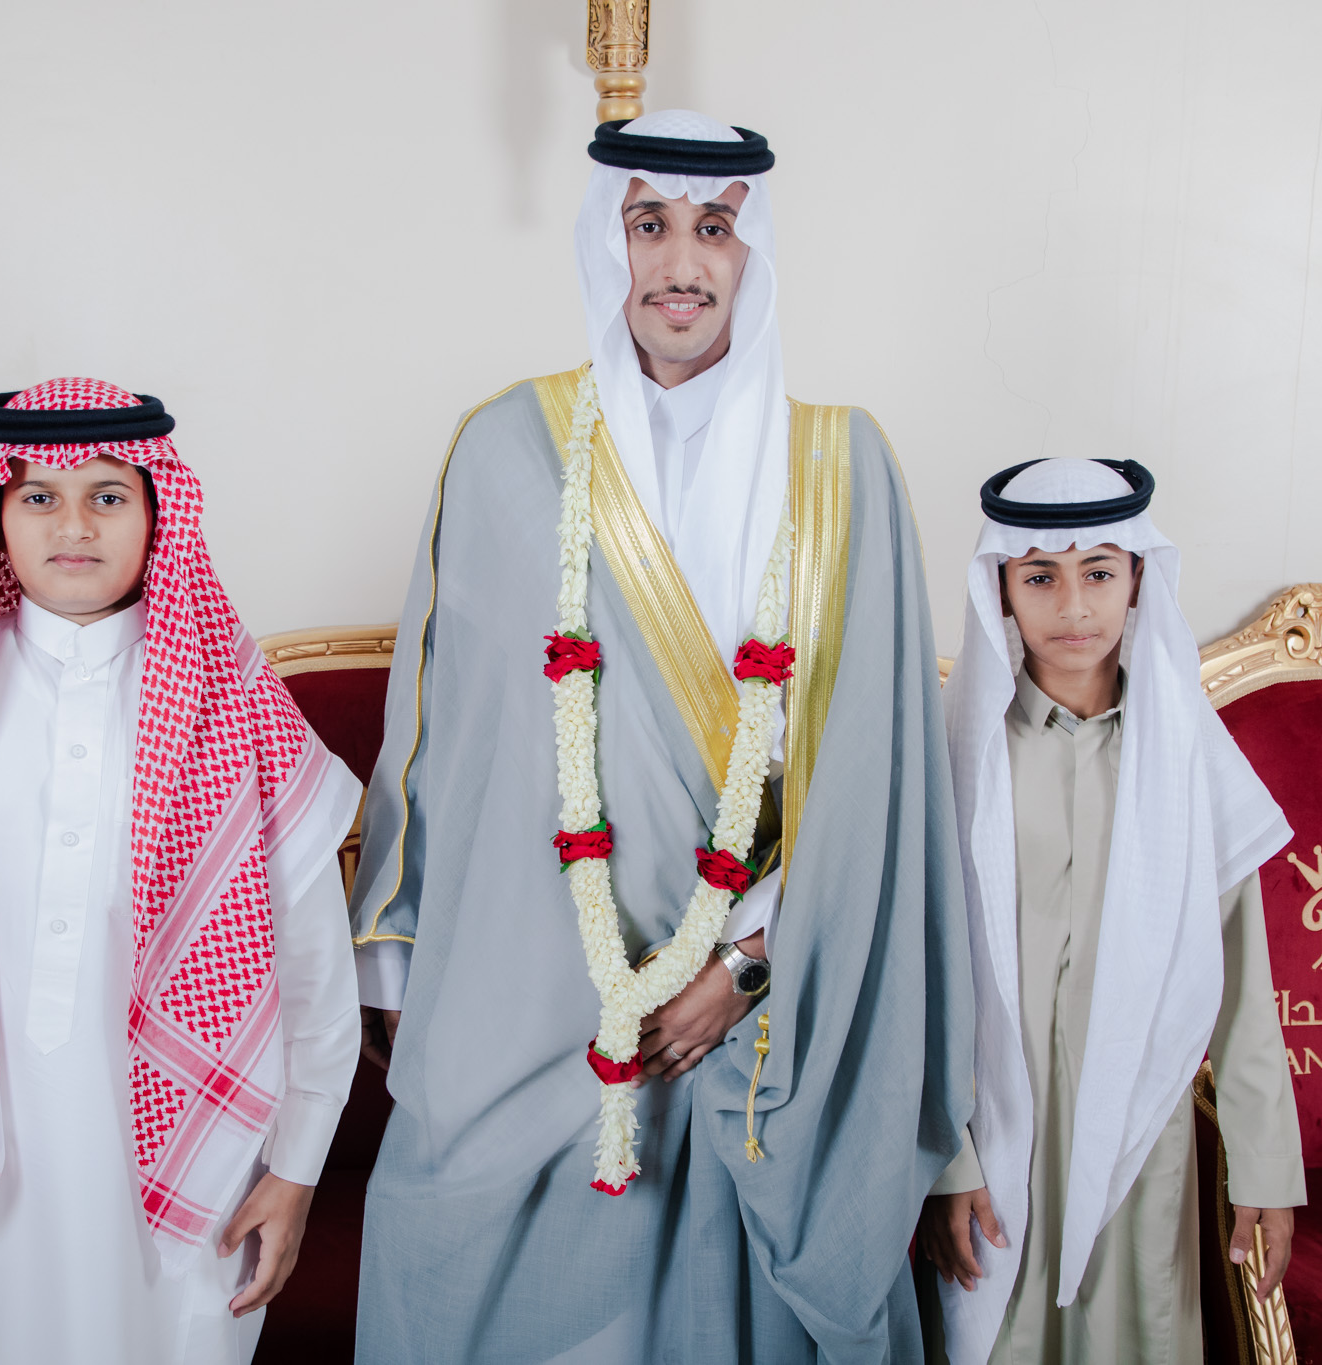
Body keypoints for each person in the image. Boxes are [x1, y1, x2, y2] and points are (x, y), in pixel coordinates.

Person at [348, 110, 973, 1363]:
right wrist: (406, 970)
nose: (680, 263)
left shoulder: (841, 468)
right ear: (607, 242)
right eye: (648, 225)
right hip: (532, 994)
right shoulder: (504, 449)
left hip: (760, 1008)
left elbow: (879, 776)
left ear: (754, 251)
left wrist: (744, 965)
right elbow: (439, 733)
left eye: (714, 228)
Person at [0, 377, 364, 1363]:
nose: (74, 524)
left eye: (108, 495)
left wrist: (296, 1167)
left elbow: (313, 970)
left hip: (183, 1167)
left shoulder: (236, 704)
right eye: (39, 496)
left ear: (157, 513)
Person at [918, 458, 1305, 1364]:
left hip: (1140, 1129)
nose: (1074, 606)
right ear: (1001, 589)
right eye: (1040, 577)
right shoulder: (955, 748)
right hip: (992, 1136)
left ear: (1137, 579)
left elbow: (1242, 979)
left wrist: (1263, 1166)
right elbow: (921, 972)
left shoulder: (1186, 753)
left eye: (1098, 571)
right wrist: (946, 1162)